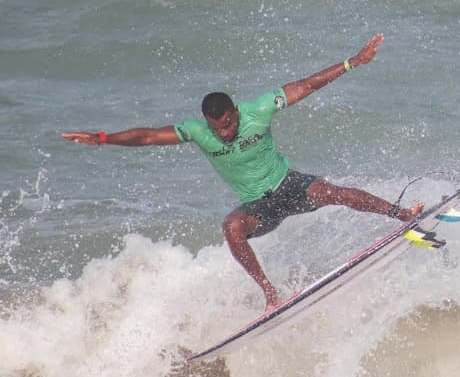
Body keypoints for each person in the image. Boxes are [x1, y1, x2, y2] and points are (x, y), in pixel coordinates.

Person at [62, 33, 423, 312]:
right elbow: (146, 137)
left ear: (235, 110)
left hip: (289, 185)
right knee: (231, 227)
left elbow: (306, 85)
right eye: (217, 128)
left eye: (229, 123)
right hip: (258, 207)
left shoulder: (258, 110)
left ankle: (402, 214)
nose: (225, 132)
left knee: (334, 193)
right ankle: (270, 294)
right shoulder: (197, 131)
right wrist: (103, 138)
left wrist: (353, 62)